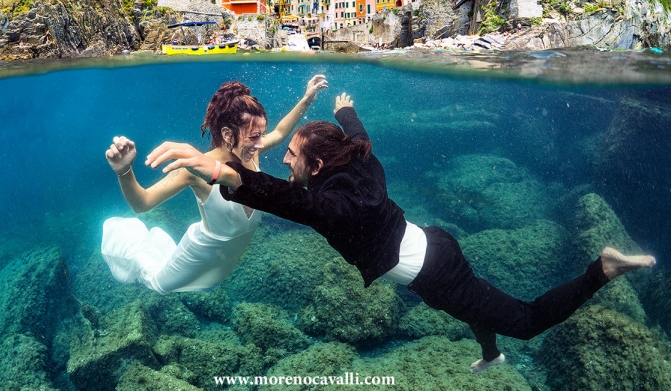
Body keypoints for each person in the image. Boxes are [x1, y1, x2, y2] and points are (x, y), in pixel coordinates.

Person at [145, 93, 657, 373]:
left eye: (292, 156)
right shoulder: (360, 163)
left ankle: (603, 269)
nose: (282, 158)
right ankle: (491, 355)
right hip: (434, 245)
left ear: (317, 163)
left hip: (433, 269)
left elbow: (280, 197)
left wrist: (217, 172)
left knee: (522, 319)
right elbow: (359, 136)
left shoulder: (332, 206)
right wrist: (343, 108)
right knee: (474, 302)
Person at [101, 75, 328, 293]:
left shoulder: (250, 153)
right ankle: (129, 246)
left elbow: (279, 132)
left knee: (207, 285)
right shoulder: (196, 169)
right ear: (228, 134)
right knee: (157, 284)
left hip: (223, 264)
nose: (260, 144)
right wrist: (124, 170)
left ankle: (156, 244)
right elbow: (143, 203)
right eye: (254, 137)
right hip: (201, 254)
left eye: (261, 135)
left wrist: (307, 98)